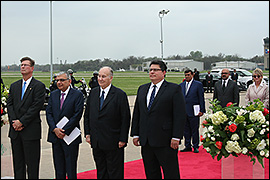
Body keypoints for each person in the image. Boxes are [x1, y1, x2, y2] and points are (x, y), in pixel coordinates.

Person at [131, 60, 186, 179]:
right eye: (150, 70)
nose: (152, 72)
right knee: (151, 173)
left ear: (164, 72)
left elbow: (179, 115)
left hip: (166, 141)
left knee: (171, 173)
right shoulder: (143, 89)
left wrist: (176, 136)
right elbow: (137, 113)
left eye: (155, 70)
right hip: (146, 141)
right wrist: (135, 134)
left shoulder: (174, 89)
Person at [84, 66, 131, 179]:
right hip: (97, 141)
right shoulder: (94, 93)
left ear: (111, 78)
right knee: (101, 170)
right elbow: (87, 115)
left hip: (113, 142)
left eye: (103, 76)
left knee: (114, 172)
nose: (100, 79)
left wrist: (123, 139)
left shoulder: (119, 95)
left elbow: (125, 118)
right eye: (99, 76)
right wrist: (88, 133)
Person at [7, 56, 46, 179]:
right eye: (21, 65)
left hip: (30, 131)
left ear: (32, 68)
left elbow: (36, 107)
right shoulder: (14, 86)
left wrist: (22, 122)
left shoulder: (39, 86)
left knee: (32, 165)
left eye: (25, 65)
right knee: (18, 164)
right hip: (15, 132)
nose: (23, 67)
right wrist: (15, 122)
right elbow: (10, 105)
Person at [46, 71, 84, 179]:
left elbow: (77, 115)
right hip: (55, 137)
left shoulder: (77, 95)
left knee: (71, 169)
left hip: (70, 137)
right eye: (57, 80)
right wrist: (54, 129)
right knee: (59, 169)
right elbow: (49, 113)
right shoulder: (53, 94)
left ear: (69, 81)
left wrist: (64, 131)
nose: (59, 82)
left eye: (62, 80)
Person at [180, 69, 205, 153]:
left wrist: (202, 109)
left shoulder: (198, 84)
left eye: (188, 75)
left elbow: (201, 97)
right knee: (186, 130)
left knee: (194, 129)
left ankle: (195, 145)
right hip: (184, 111)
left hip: (194, 110)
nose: (187, 77)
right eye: (186, 75)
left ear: (192, 75)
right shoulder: (181, 85)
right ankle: (187, 145)